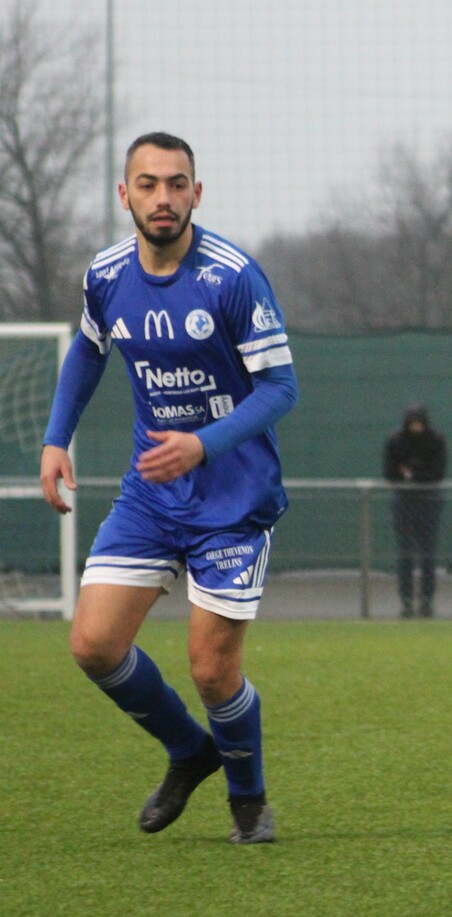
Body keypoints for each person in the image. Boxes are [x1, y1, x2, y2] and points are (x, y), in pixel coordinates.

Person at [39, 132, 298, 845]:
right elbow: (87, 350)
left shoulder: (232, 276)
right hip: (152, 495)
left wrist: (201, 443)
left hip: (234, 501)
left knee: (212, 671)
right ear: (125, 194)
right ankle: (190, 750)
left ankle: (249, 799)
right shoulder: (107, 274)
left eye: (177, 184)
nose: (163, 197)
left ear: (196, 194)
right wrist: (56, 438)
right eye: (148, 184)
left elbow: (281, 388)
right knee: (93, 644)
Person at [383, 403, 447, 618]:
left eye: (419, 424)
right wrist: (415, 475)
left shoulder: (436, 441)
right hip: (403, 502)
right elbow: (390, 473)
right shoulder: (395, 441)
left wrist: (410, 474)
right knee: (405, 553)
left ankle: (427, 598)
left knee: (428, 553)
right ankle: (407, 598)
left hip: (429, 502)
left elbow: (436, 474)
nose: (416, 428)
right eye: (412, 424)